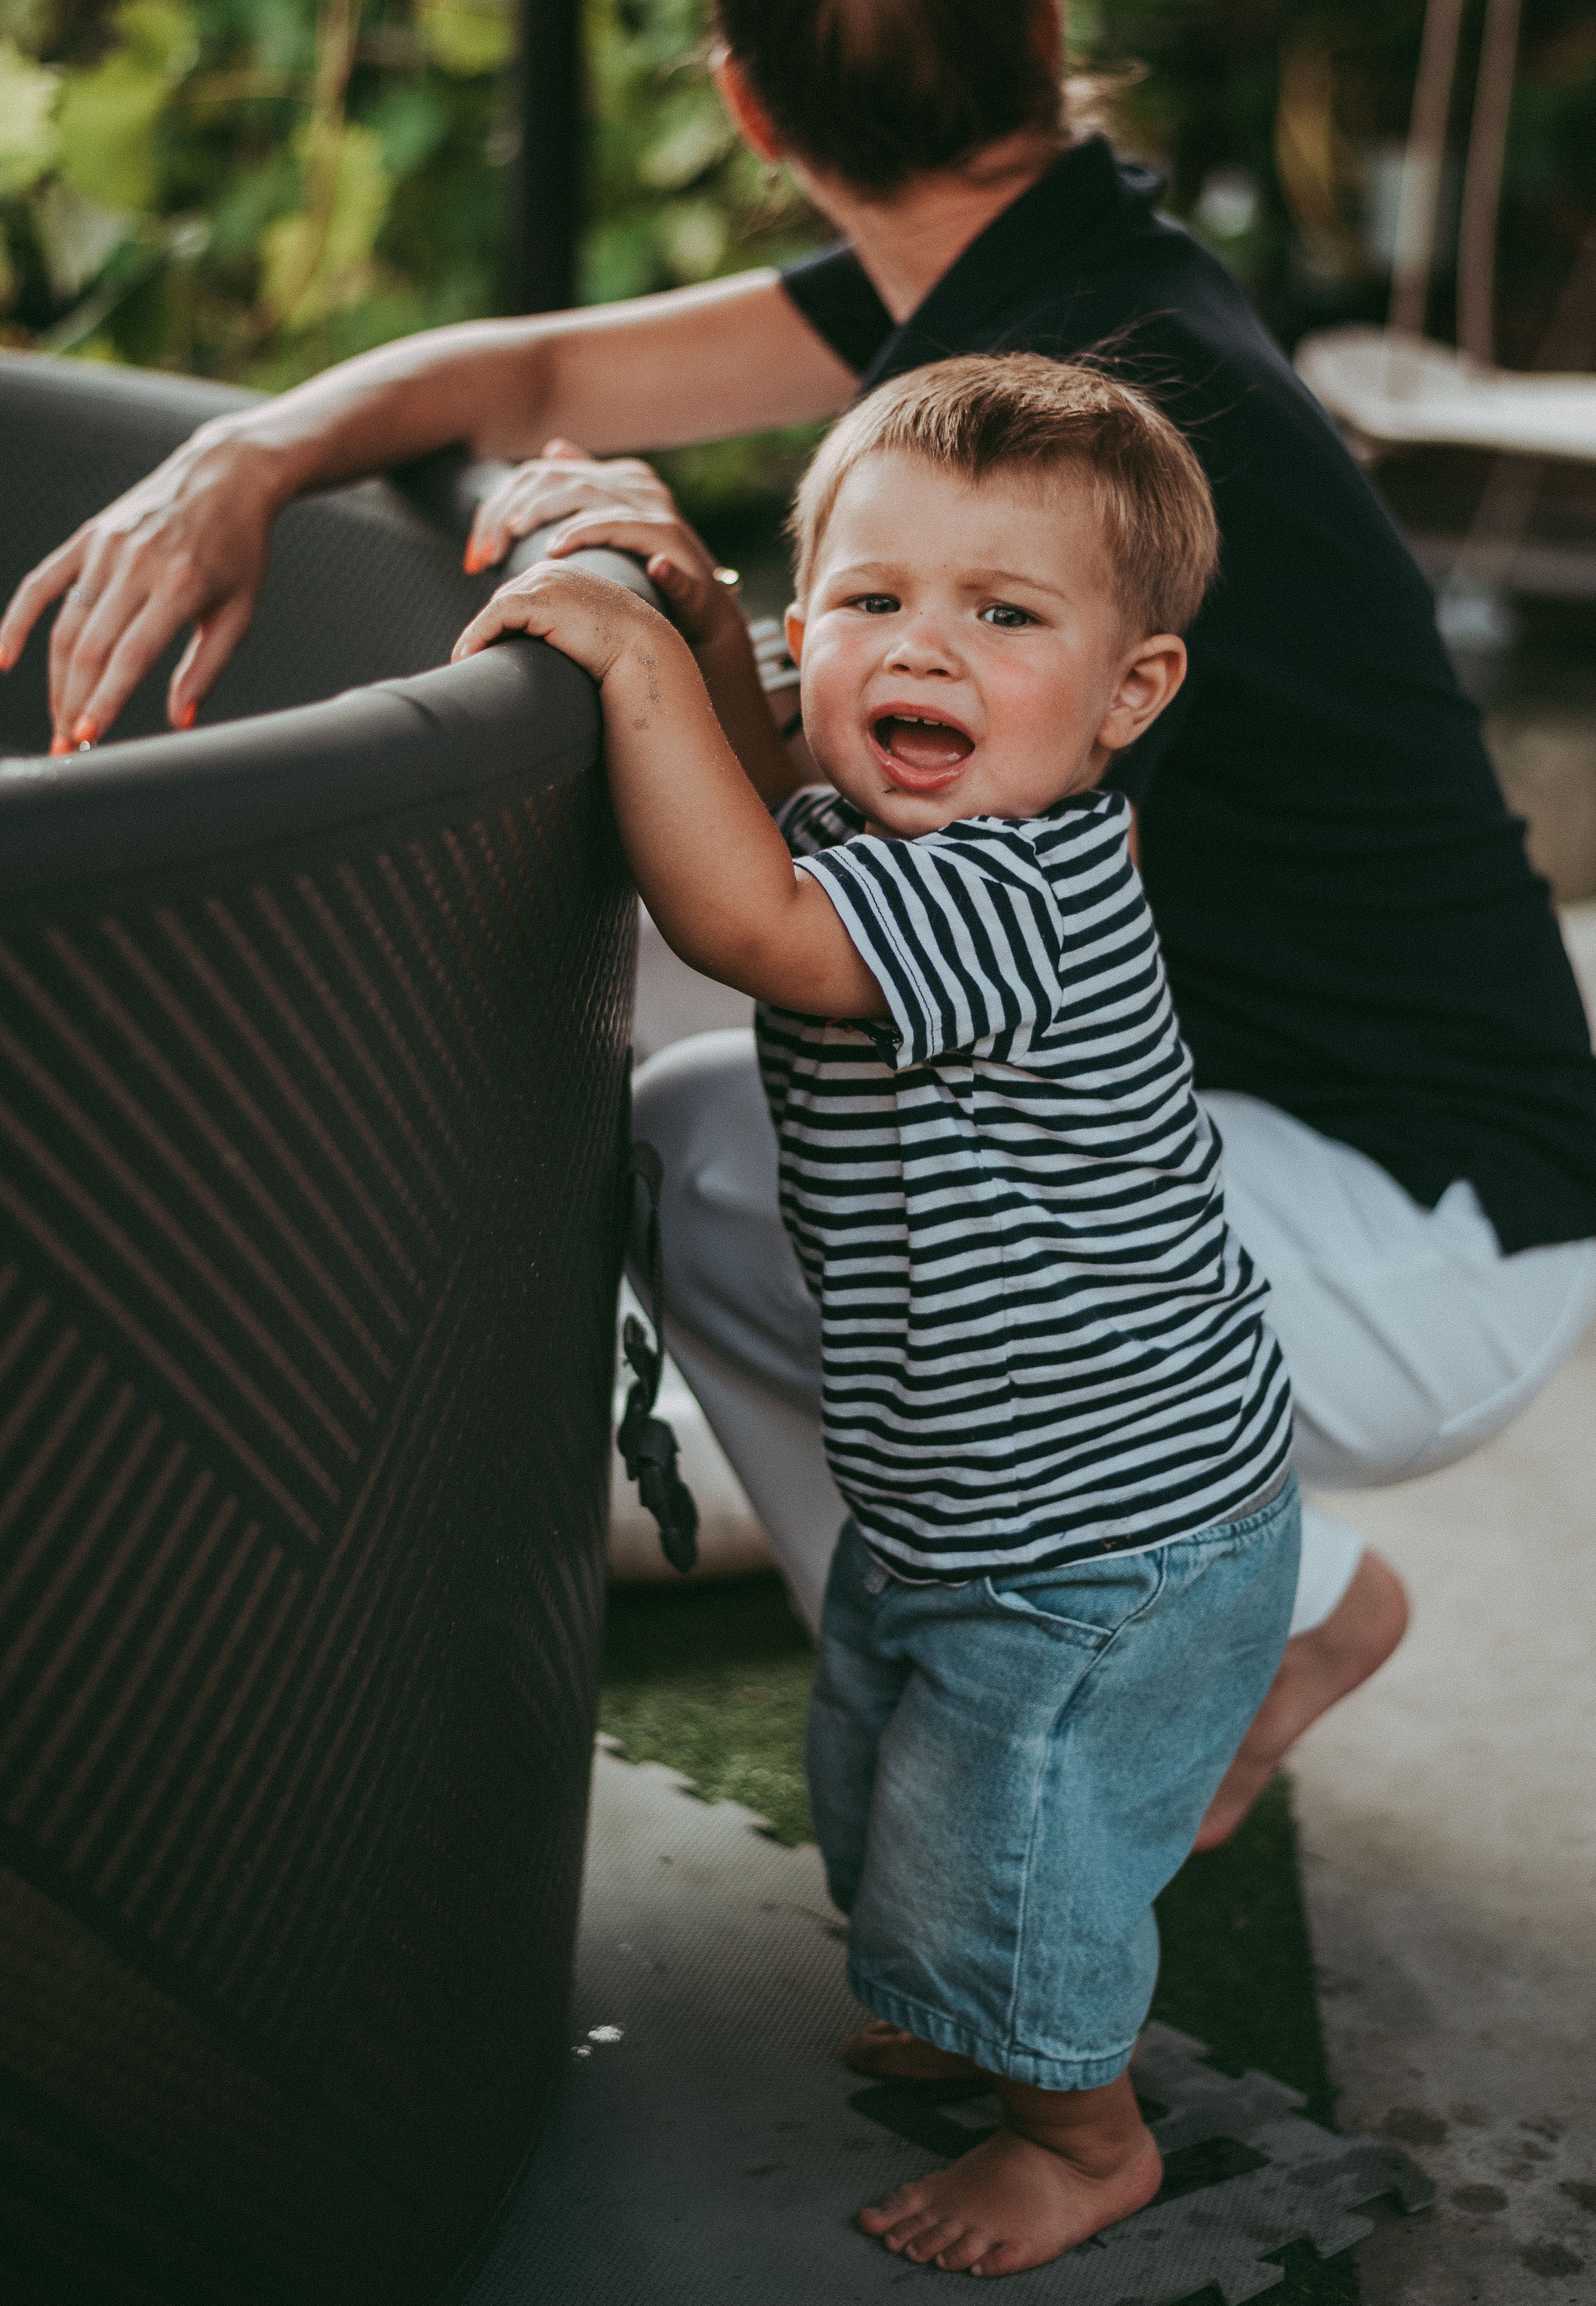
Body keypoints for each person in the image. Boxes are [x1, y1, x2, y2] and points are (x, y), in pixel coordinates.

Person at [0, 0, 1596, 1841]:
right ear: (1045, 21)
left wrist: (657, 598)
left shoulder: (1102, 413)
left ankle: (1224, 1615)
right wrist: (251, 452)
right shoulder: (1044, 290)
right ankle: (1071, 1653)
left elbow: (803, 876)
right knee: (719, 1123)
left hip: (1405, 1236)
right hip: (1395, 1178)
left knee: (720, 1146)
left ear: (753, 111)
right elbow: (539, 369)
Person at [452, 352, 1303, 2275]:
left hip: (1111, 1535)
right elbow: (778, 795)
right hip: (968, 1505)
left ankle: (1082, 2131)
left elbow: (743, 915)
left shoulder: (1025, 884)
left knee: (1011, 1831)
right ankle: (963, 1983)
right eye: (874, 602)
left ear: (1127, 694)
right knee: (892, 1772)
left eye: (1006, 615)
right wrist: (687, 603)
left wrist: (631, 660)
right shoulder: (905, 825)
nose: (927, 650)